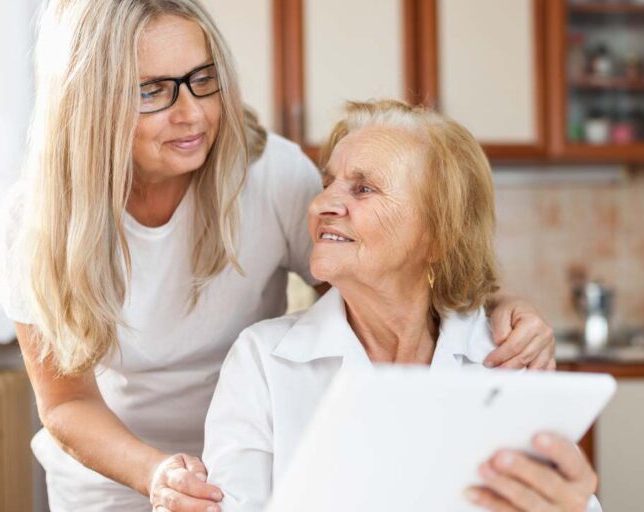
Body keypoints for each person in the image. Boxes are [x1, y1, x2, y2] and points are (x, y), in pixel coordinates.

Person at [0, 0, 557, 512]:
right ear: (90, 102)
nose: (192, 114)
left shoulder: (270, 176)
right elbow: (66, 401)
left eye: (202, 79)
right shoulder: (40, 219)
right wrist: (158, 473)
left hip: (264, 446)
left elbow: (379, 281)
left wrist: (496, 308)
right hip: (113, 475)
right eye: (153, 91)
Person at [202, 100, 600, 512]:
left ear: (438, 235)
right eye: (327, 184)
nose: (320, 205)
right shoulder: (263, 363)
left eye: (363, 188)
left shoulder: (508, 359)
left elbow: (569, 503)